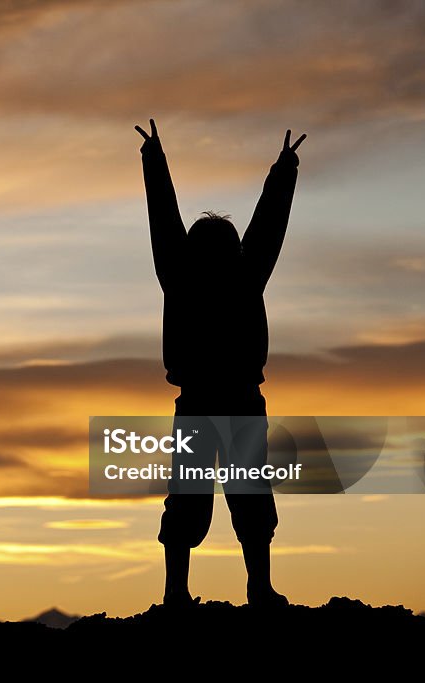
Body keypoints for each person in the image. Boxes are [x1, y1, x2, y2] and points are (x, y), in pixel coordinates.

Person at [134, 118, 305, 608]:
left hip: (213, 403)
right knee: (235, 500)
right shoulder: (234, 275)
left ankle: (188, 591)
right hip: (227, 403)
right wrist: (284, 169)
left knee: (210, 500)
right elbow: (266, 227)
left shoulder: (190, 276)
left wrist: (155, 159)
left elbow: (166, 222)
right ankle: (232, 588)